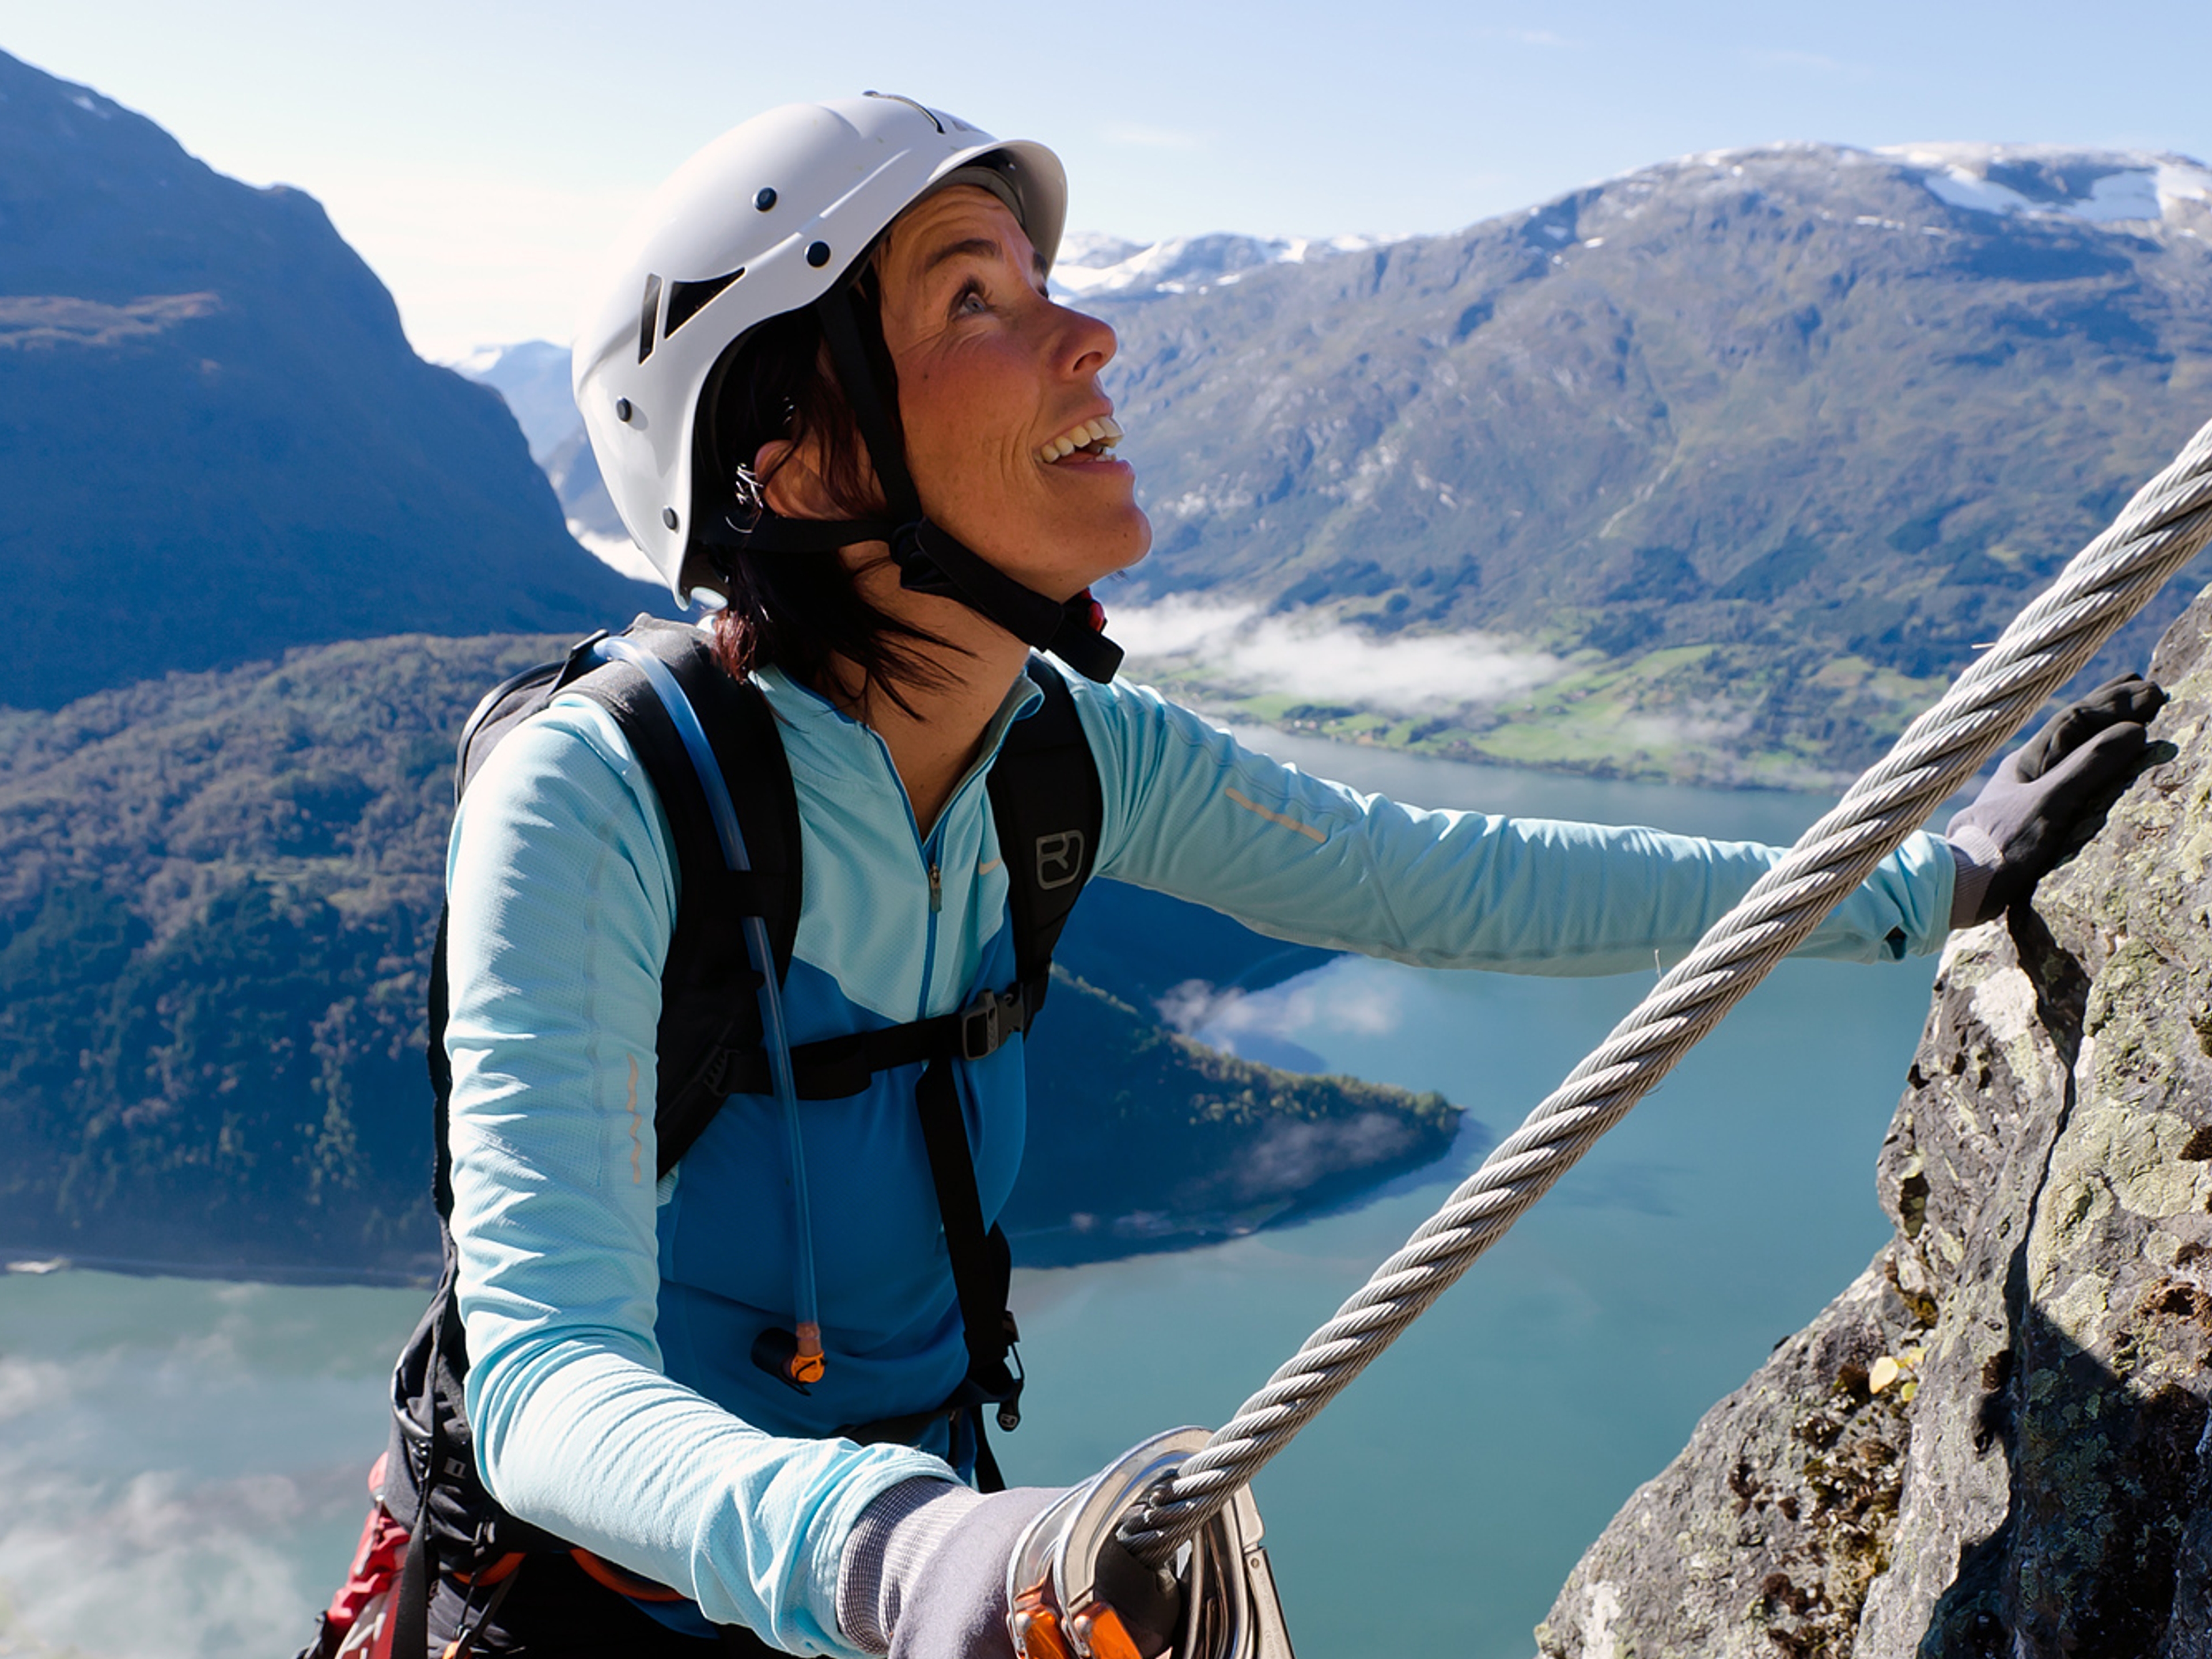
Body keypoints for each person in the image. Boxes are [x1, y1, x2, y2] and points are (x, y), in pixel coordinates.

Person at [393, 93, 2159, 1659]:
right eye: (975, 296)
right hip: (618, 1616)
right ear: (798, 459)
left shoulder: (1058, 753)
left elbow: (1446, 878)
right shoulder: (604, 797)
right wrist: (898, 1552)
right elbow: (543, 1385)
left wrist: (1916, 883)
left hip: (906, 1589)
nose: (1091, 333)